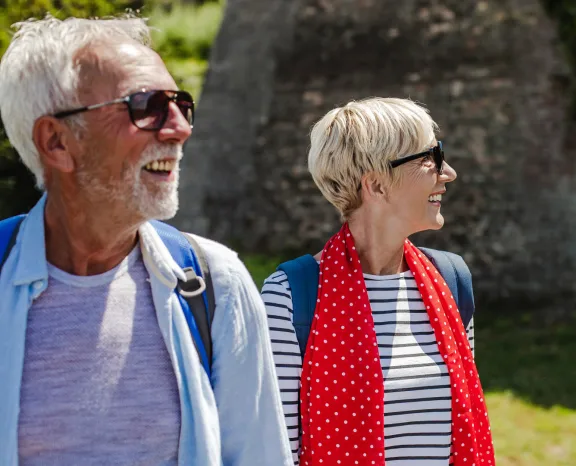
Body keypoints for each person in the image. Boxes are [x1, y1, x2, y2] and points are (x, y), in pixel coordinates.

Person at [0, 15, 293, 465]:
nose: (180, 128)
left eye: (180, 104)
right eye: (146, 106)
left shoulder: (216, 284)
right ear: (56, 141)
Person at [263, 97, 495, 465]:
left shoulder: (450, 281)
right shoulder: (290, 296)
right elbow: (275, 453)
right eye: (430, 158)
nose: (448, 173)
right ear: (376, 185)